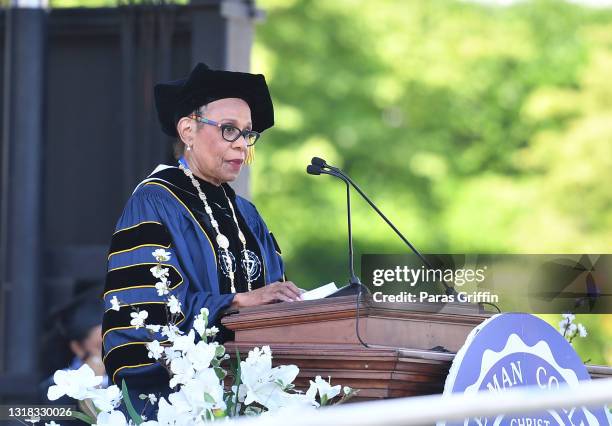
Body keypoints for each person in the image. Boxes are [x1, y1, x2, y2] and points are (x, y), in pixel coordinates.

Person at [102, 63, 302, 417]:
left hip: (255, 399)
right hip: (182, 404)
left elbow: (274, 299)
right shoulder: (155, 201)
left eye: (248, 133)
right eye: (228, 130)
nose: (242, 144)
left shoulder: (247, 215)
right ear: (188, 130)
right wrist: (237, 302)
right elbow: (147, 315)